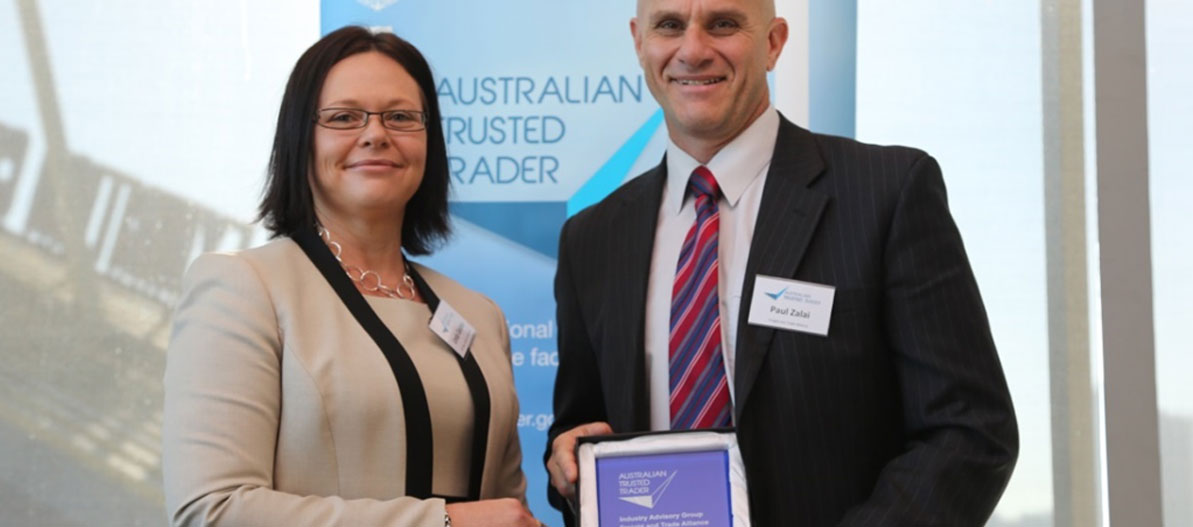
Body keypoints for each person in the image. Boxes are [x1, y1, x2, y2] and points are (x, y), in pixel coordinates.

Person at [544, 0, 1019, 525]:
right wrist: (569, 461)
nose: (693, 50)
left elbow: (969, 430)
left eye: (723, 24)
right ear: (640, 42)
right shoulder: (592, 239)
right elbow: (580, 431)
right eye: (670, 26)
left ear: (773, 43)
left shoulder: (886, 192)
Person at [162, 27, 542, 527]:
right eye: (344, 117)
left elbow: (508, 510)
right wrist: (444, 523)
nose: (376, 134)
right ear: (300, 140)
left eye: (401, 117)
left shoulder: (480, 315)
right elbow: (212, 511)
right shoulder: (244, 288)